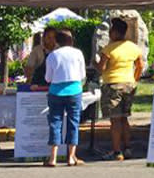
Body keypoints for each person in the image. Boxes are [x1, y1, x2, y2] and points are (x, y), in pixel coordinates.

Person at [97, 18, 143, 160]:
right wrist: (135, 78)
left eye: (111, 30)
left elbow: (101, 68)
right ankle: (127, 148)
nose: (109, 33)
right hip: (128, 84)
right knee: (124, 118)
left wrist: (94, 63)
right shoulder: (133, 47)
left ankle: (117, 151)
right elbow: (140, 65)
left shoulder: (108, 49)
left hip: (113, 84)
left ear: (115, 32)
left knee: (115, 120)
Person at [44, 29, 86, 167]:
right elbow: (82, 75)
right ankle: (71, 157)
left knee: (55, 122)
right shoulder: (78, 53)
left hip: (56, 92)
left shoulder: (52, 55)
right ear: (71, 40)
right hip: (74, 91)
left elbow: (48, 78)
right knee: (73, 122)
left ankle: (53, 157)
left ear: (57, 41)